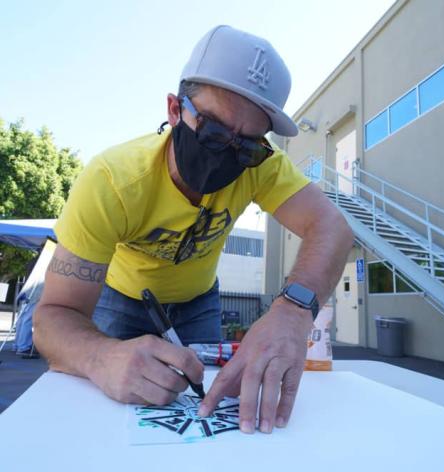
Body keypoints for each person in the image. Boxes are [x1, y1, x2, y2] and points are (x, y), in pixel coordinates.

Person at [33, 25, 353, 434]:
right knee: (106, 415)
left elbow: (332, 226)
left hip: (198, 301)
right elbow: (53, 318)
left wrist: (293, 312)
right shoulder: (112, 181)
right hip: (120, 298)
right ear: (173, 109)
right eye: (214, 131)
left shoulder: (263, 168)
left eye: (249, 146)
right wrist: (99, 357)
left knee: (207, 404)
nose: (228, 154)